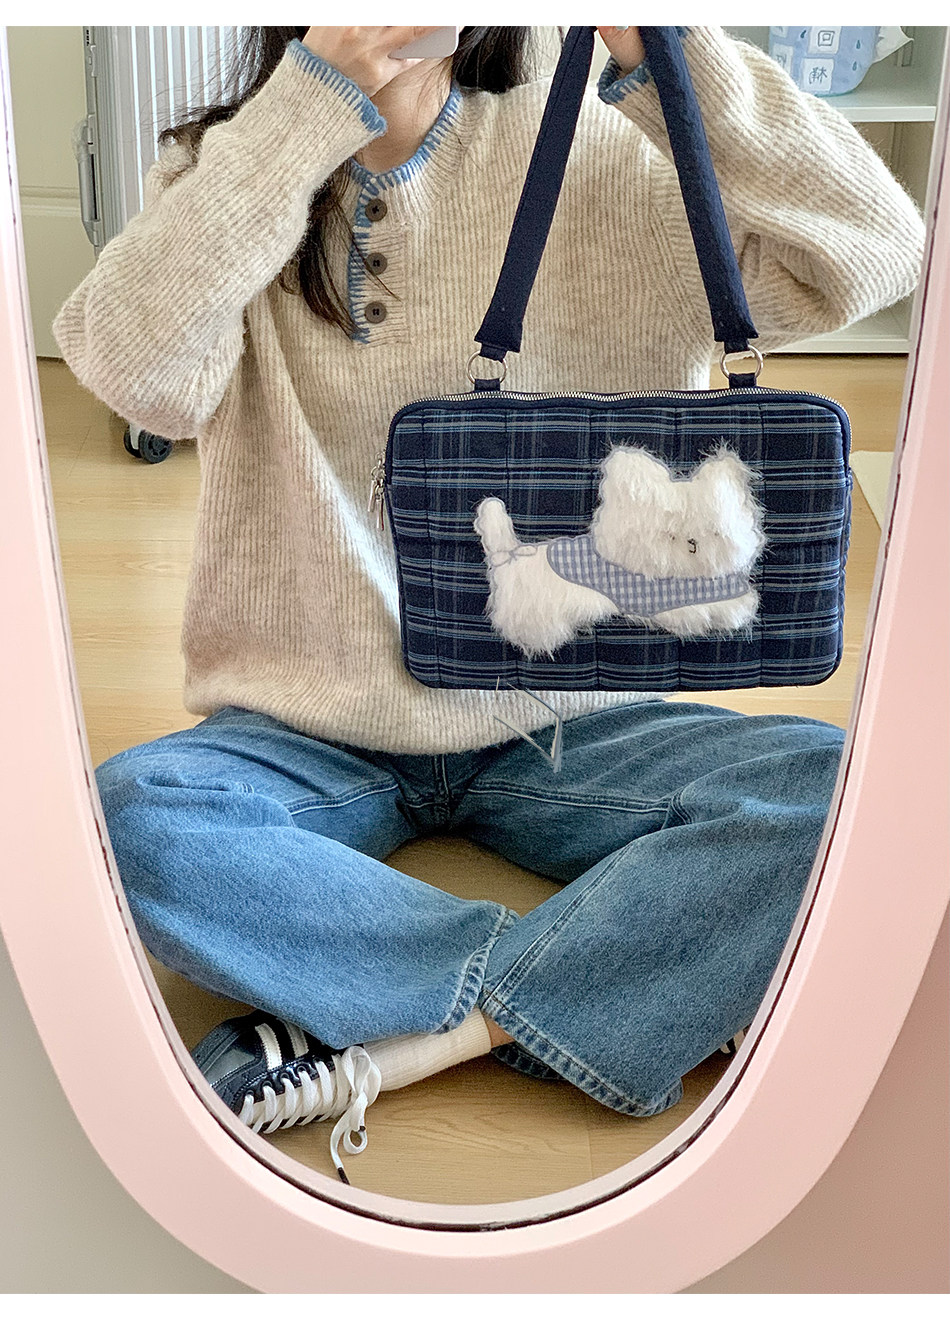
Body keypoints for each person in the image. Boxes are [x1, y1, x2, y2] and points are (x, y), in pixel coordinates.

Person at [53, 26, 924, 1184]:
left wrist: (665, 46)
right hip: (303, 719)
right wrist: (315, 102)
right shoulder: (240, 162)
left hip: (570, 713)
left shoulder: (610, 148)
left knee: (844, 796)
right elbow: (133, 376)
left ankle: (415, 1039)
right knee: (121, 821)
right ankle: (617, 992)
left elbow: (873, 249)